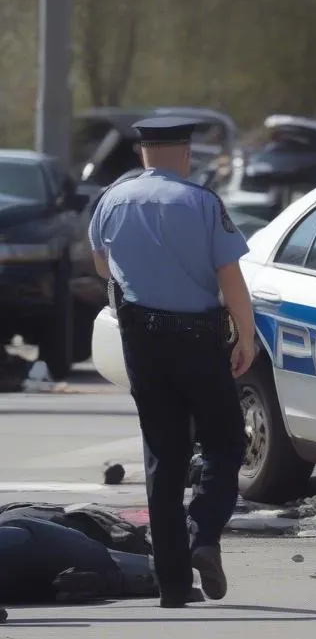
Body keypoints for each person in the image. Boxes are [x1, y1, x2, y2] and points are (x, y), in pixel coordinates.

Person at [89, 115, 257, 607]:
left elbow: (104, 266)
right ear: (185, 154)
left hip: (142, 340)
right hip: (198, 341)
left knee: (163, 456)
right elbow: (231, 278)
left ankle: (173, 586)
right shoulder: (202, 203)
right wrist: (245, 336)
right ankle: (202, 532)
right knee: (225, 441)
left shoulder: (110, 201)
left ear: (144, 153)